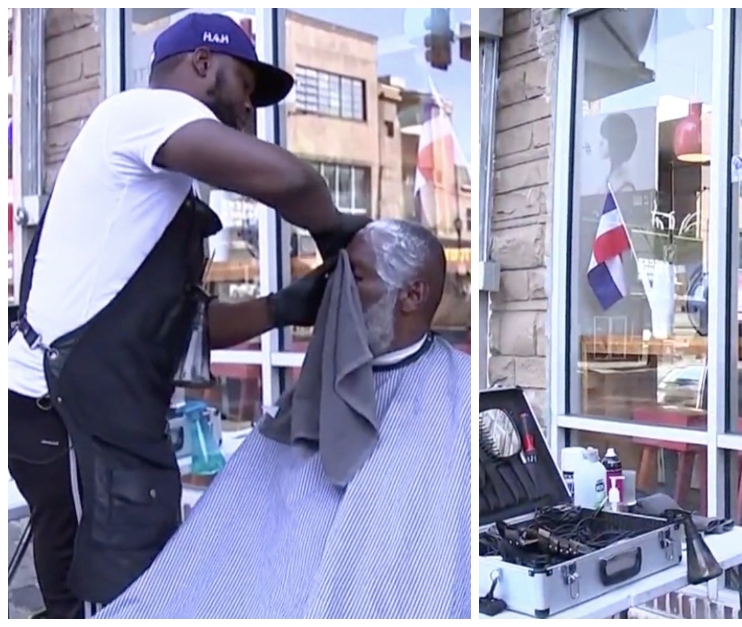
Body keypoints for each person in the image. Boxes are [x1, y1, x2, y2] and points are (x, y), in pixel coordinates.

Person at [7, 13, 368, 619]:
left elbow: (180, 332)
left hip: (94, 411)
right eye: (245, 87)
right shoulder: (141, 112)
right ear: (202, 63)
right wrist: (334, 232)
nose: (249, 109)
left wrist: (282, 308)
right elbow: (290, 179)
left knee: (137, 587)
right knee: (102, 599)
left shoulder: (158, 190)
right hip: (60, 414)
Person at [95, 220, 472, 619]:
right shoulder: (310, 394)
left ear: (412, 295)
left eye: (355, 278)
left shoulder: (460, 396)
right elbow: (233, 535)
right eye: (335, 277)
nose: (335, 292)